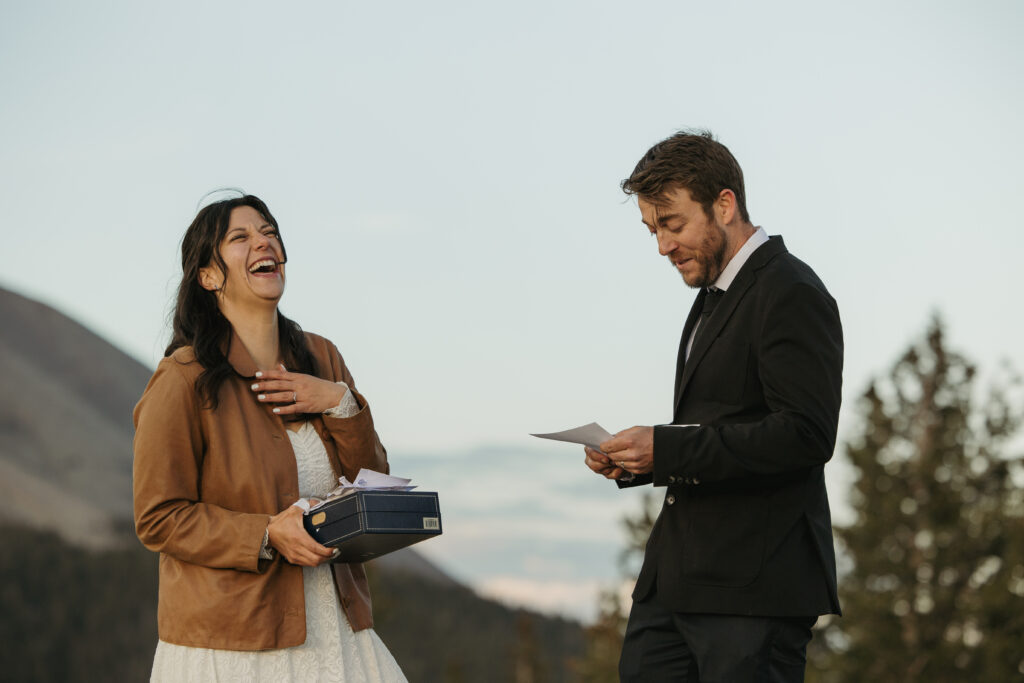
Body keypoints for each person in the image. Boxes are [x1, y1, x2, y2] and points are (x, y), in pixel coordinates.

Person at [584, 131, 843, 682]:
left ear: (724, 204)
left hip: (754, 592)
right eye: (652, 229)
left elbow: (805, 435)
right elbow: (720, 426)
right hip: (673, 586)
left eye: (672, 225)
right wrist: (641, 459)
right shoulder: (709, 299)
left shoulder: (791, 290)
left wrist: (668, 446)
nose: (661, 246)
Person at [133, 192, 407, 682]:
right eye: (241, 237)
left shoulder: (324, 358)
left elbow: (373, 481)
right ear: (209, 276)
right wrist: (264, 533)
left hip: (340, 634)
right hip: (232, 643)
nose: (265, 242)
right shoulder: (182, 378)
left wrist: (338, 401)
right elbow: (159, 518)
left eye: (270, 232)